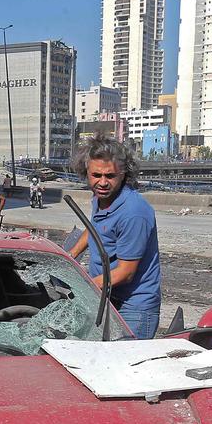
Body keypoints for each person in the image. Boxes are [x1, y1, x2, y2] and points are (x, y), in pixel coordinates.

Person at [68, 134, 163, 339]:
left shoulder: (133, 212)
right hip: (107, 296)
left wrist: (82, 287)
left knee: (124, 366)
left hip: (133, 308)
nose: (102, 183)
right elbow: (95, 228)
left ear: (123, 175)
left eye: (110, 176)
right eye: (96, 175)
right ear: (86, 173)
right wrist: (69, 256)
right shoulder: (101, 199)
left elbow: (126, 272)